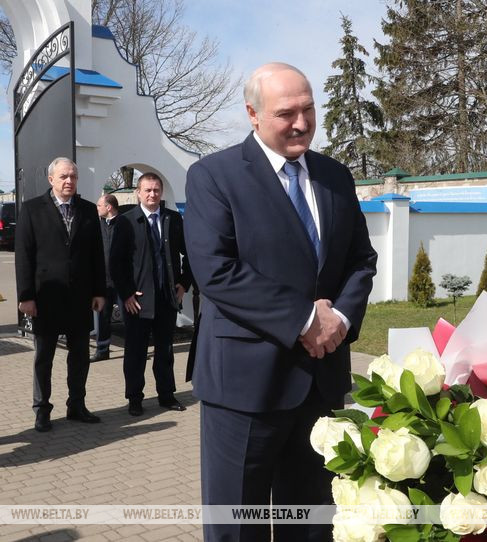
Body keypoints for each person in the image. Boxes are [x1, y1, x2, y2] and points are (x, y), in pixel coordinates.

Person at [184, 62, 377, 541]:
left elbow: (361, 259)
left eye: (309, 109)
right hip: (245, 389)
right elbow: (217, 271)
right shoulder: (213, 176)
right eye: (286, 113)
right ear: (252, 114)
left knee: (313, 524)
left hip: (322, 382)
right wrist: (306, 319)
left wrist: (341, 321)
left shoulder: (335, 175)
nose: (302, 123)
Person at [15, 157, 106, 432]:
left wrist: (99, 291)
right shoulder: (32, 210)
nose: (69, 181)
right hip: (46, 298)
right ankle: (42, 410)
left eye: (73, 177)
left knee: (79, 355)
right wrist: (26, 296)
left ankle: (76, 405)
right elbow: (24, 256)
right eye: (64, 176)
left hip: (80, 298)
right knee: (44, 356)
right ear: (51, 179)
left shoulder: (89, 210)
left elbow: (96, 256)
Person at [110, 173, 192, 416]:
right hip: (138, 301)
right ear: (138, 192)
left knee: (165, 351)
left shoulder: (174, 219)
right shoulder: (126, 222)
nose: (152, 194)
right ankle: (134, 398)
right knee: (135, 353)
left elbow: (190, 255)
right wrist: (126, 294)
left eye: (156, 190)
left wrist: (183, 285)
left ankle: (166, 395)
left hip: (167, 298)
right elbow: (116, 263)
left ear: (161, 192)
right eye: (147, 190)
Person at [91, 193, 120, 362]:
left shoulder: (125, 224)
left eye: (99, 206)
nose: (97, 208)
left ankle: (134, 349)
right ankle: (102, 349)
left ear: (108, 207)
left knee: (131, 317)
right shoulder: (96, 225)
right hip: (104, 281)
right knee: (103, 317)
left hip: (123, 281)